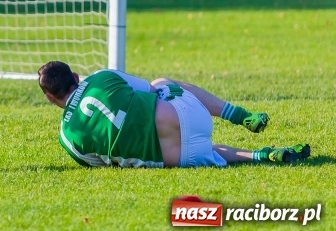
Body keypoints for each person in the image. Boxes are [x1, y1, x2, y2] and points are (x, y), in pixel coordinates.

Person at [38, 60, 311, 168]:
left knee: (208, 149)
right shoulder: (100, 77)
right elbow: (148, 90)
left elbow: (106, 164)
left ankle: (261, 155)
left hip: (173, 159)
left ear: (50, 98)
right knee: (161, 82)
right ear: (76, 76)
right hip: (187, 116)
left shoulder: (67, 137)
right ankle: (241, 117)